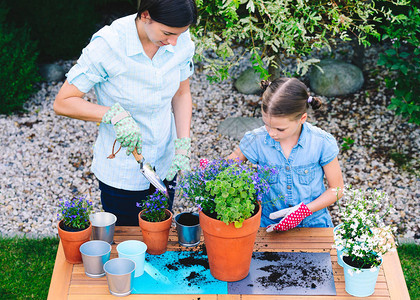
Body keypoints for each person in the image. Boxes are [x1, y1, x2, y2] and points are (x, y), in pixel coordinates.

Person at [53, 0, 197, 226]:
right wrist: (113, 114)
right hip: (122, 170)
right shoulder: (108, 45)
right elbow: (63, 102)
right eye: (168, 33)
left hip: (166, 161)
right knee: (127, 247)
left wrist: (183, 143)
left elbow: (181, 94)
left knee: (160, 237)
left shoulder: (179, 39)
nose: (174, 42)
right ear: (146, 16)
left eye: (181, 34)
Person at [227, 78, 344, 231]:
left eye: (280, 129)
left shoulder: (321, 142)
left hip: (313, 224)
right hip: (268, 224)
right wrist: (211, 171)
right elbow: (227, 167)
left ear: (302, 118)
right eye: (266, 125)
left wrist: (303, 211)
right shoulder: (256, 139)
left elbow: (337, 189)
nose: (271, 133)